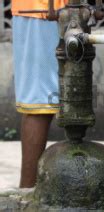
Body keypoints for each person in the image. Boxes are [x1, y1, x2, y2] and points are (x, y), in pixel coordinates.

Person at [11, 0, 67, 188]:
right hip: (41, 10)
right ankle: (27, 195)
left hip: (52, 10)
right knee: (39, 104)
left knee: (54, 99)